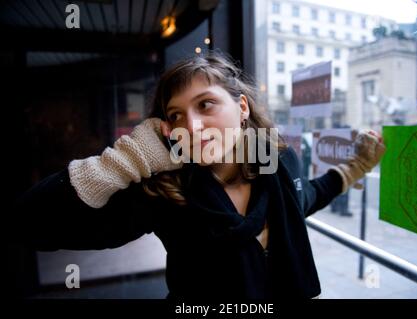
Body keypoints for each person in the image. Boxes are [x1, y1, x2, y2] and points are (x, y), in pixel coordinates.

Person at [13, 52, 386, 299]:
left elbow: (303, 200)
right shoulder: (167, 189)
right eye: (175, 115)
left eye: (205, 104)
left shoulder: (277, 163)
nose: (191, 124)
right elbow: (33, 223)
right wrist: (125, 161)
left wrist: (357, 167)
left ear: (241, 107)